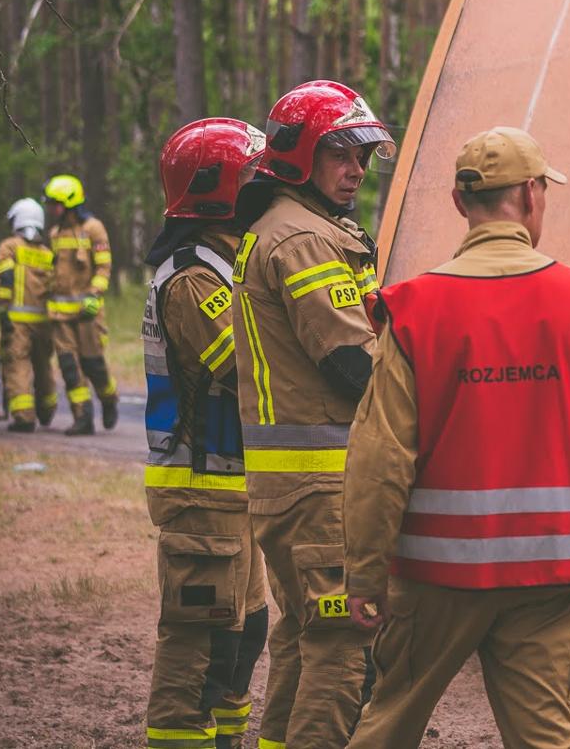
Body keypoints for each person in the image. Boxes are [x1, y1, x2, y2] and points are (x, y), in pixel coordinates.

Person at [340, 127, 570, 749]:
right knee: (547, 738)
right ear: (531, 194)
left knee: (387, 727)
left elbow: (380, 459)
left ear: (462, 204)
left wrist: (364, 573)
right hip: (550, 573)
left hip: (434, 574)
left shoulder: (414, 307)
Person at [232, 80, 392, 748]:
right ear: (300, 157)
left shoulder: (292, 227)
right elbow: (352, 364)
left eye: (363, 157)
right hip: (321, 485)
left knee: (304, 640)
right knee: (341, 648)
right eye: (341, 154)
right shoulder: (302, 240)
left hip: (291, 487)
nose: (356, 170)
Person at [142, 119, 273, 749]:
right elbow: (245, 368)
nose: (264, 185)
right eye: (252, 175)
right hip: (200, 490)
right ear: (218, 189)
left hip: (233, 487)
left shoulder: (224, 263)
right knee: (201, 644)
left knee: (245, 632)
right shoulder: (194, 279)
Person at [44, 173, 119, 435]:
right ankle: (83, 416)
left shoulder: (93, 229)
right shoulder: (55, 233)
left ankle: (109, 399)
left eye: (56, 203)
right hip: (60, 316)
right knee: (69, 368)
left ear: (70, 203)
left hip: (87, 313)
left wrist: (94, 293)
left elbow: (104, 266)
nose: (52, 209)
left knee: (93, 366)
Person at [0, 197, 58, 431]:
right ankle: (47, 409)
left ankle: (24, 416)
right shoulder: (46, 252)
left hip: (18, 321)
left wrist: (2, 310)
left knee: (17, 364)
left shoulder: (9, 246)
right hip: (44, 322)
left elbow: (6, 280)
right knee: (43, 365)